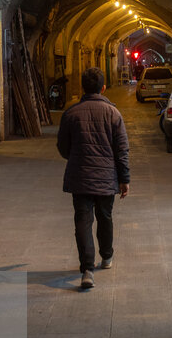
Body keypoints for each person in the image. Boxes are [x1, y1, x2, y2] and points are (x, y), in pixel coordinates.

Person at [56, 67, 130, 291]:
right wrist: (124, 179)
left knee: (83, 222)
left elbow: (62, 147)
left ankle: (87, 269)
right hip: (107, 177)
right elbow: (122, 149)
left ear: (82, 88)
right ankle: (106, 257)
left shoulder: (71, 113)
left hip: (80, 177)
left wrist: (77, 157)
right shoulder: (113, 113)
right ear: (104, 87)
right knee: (105, 216)